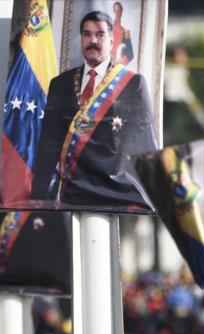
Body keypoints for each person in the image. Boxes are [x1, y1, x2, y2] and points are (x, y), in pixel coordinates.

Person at [30, 10, 156, 210]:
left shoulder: (133, 84)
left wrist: (150, 195)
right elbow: (48, 143)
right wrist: (38, 194)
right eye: (87, 34)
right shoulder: (60, 84)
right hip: (70, 195)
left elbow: (144, 144)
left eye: (100, 34)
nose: (93, 41)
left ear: (112, 41)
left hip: (115, 195)